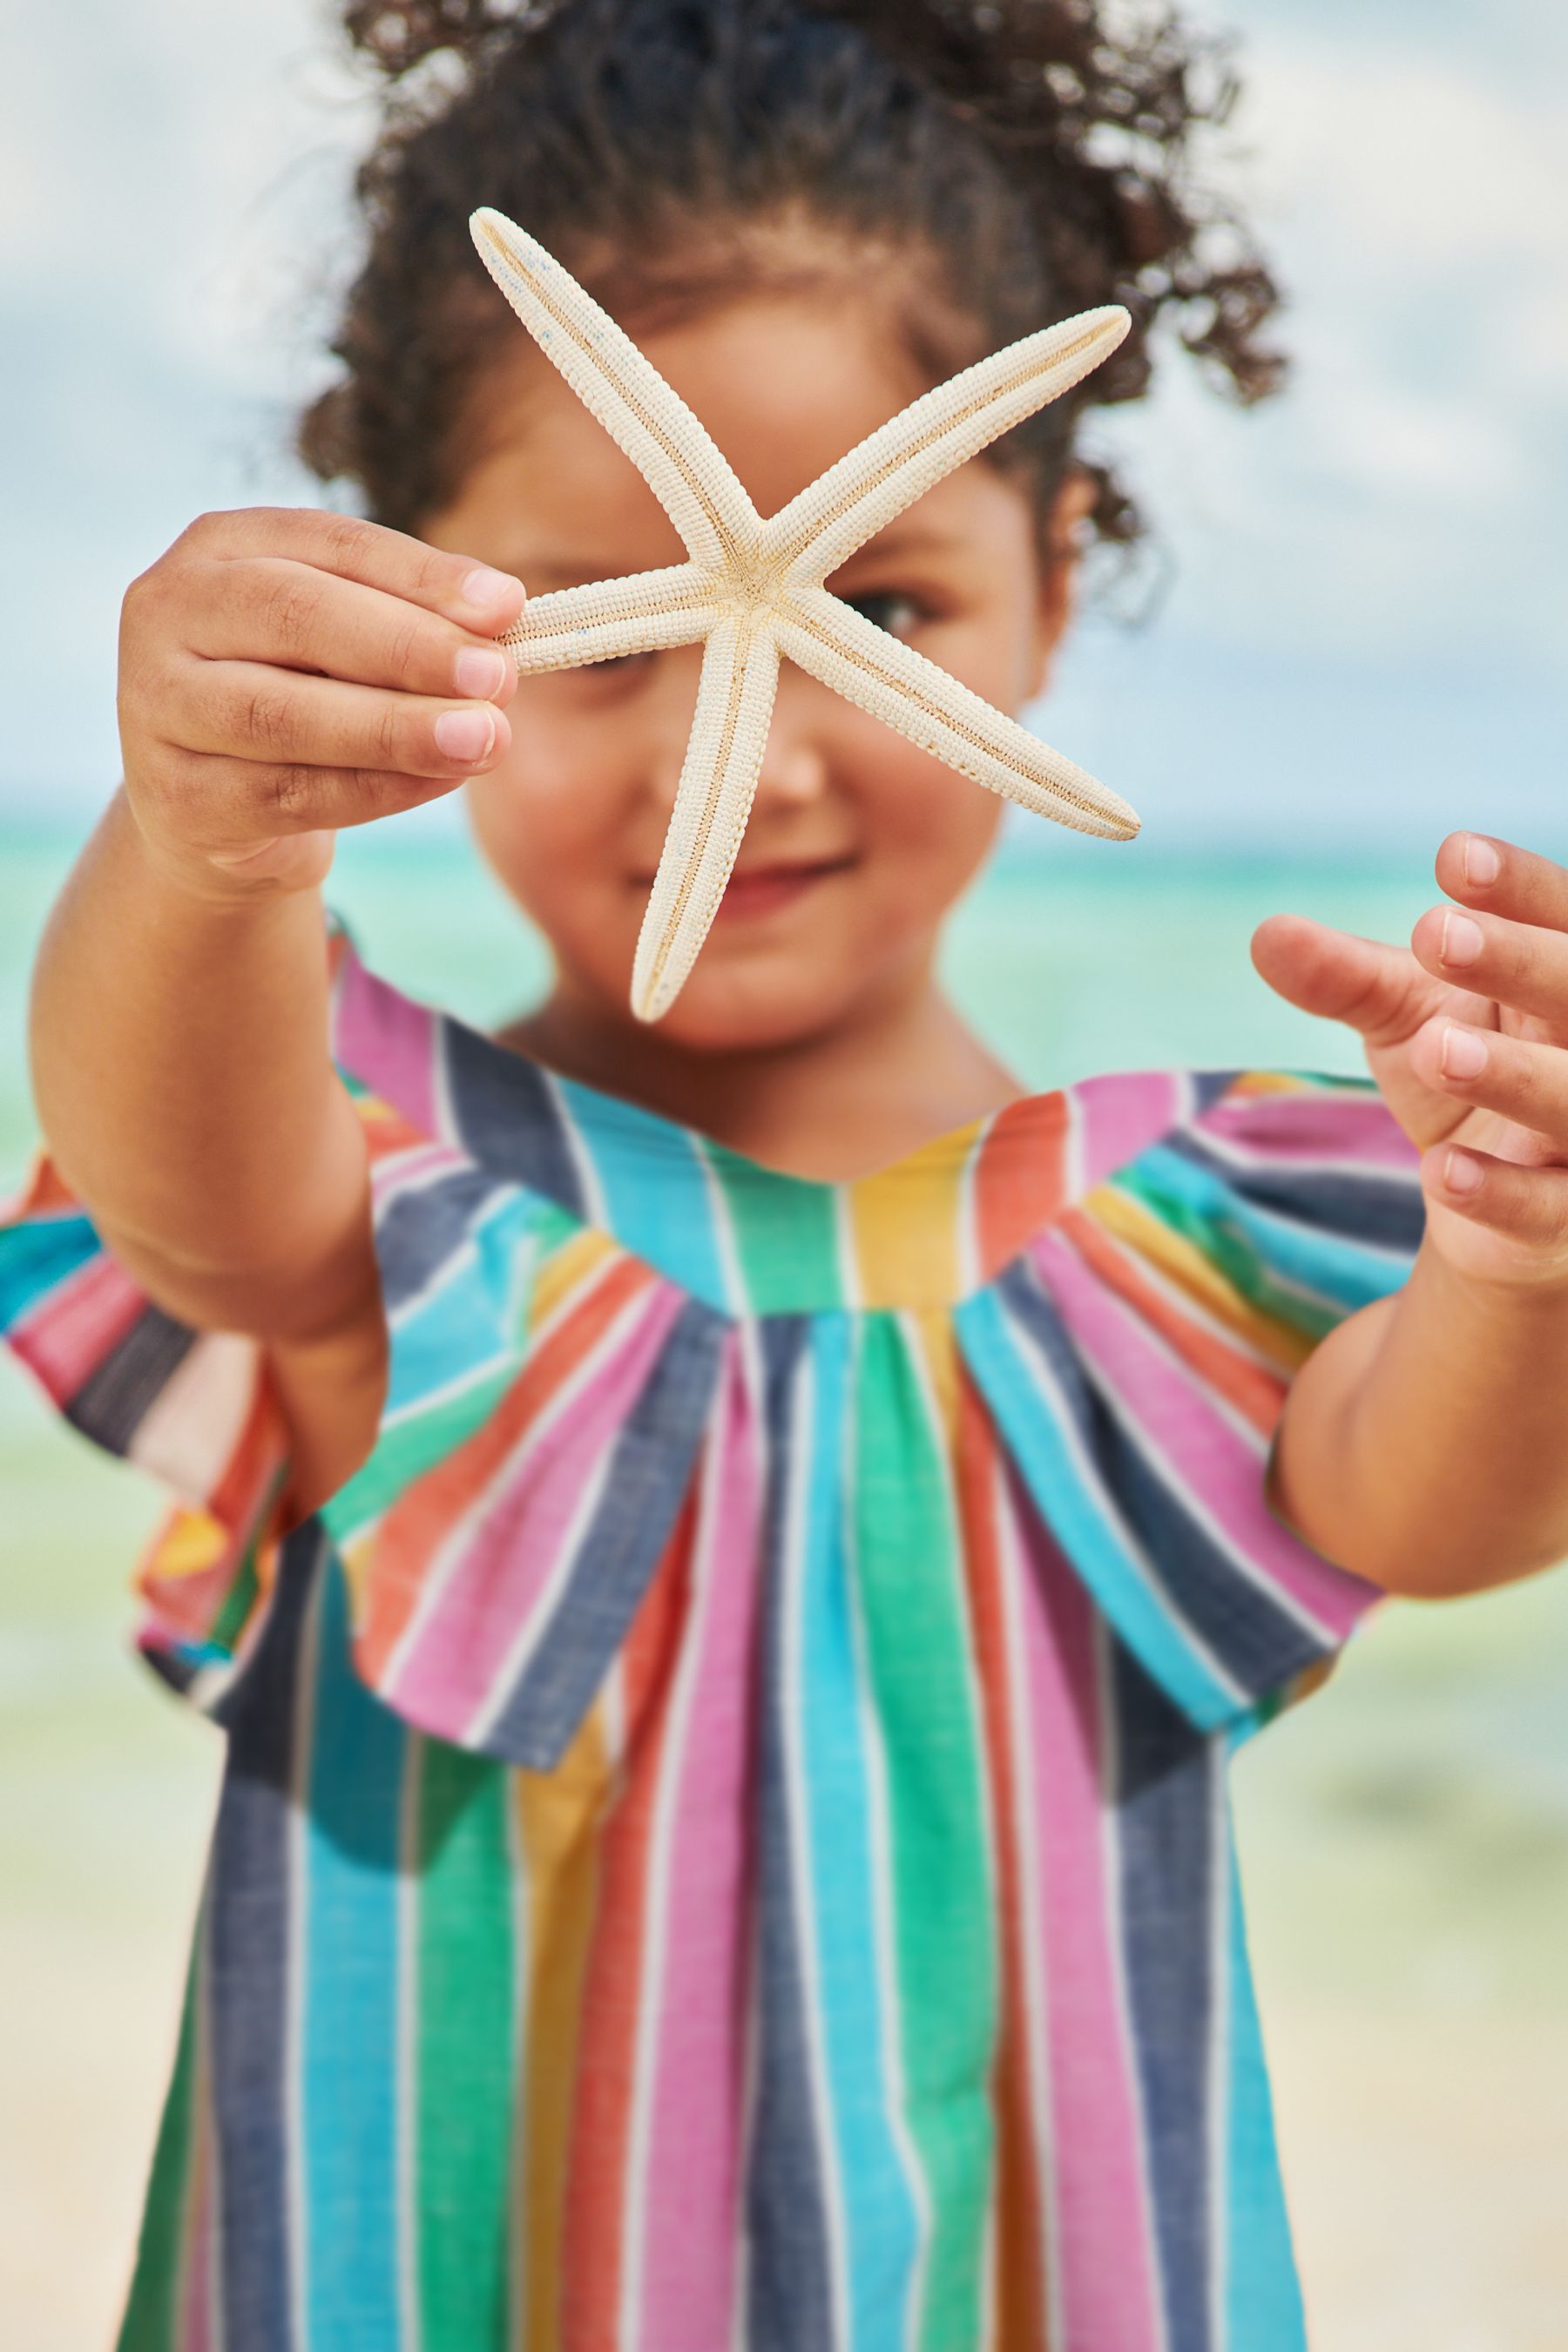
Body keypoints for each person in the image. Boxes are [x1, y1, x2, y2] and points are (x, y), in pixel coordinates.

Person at [5, 1, 1568, 2344]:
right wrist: (199, 847)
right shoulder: (399, 1193)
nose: (759, 748)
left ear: (1060, 576)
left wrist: (1521, 1245)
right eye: (597, 635)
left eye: (894, 607)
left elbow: (1423, 1506)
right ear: (417, 613)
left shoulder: (1184, 1224)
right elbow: (193, 1209)